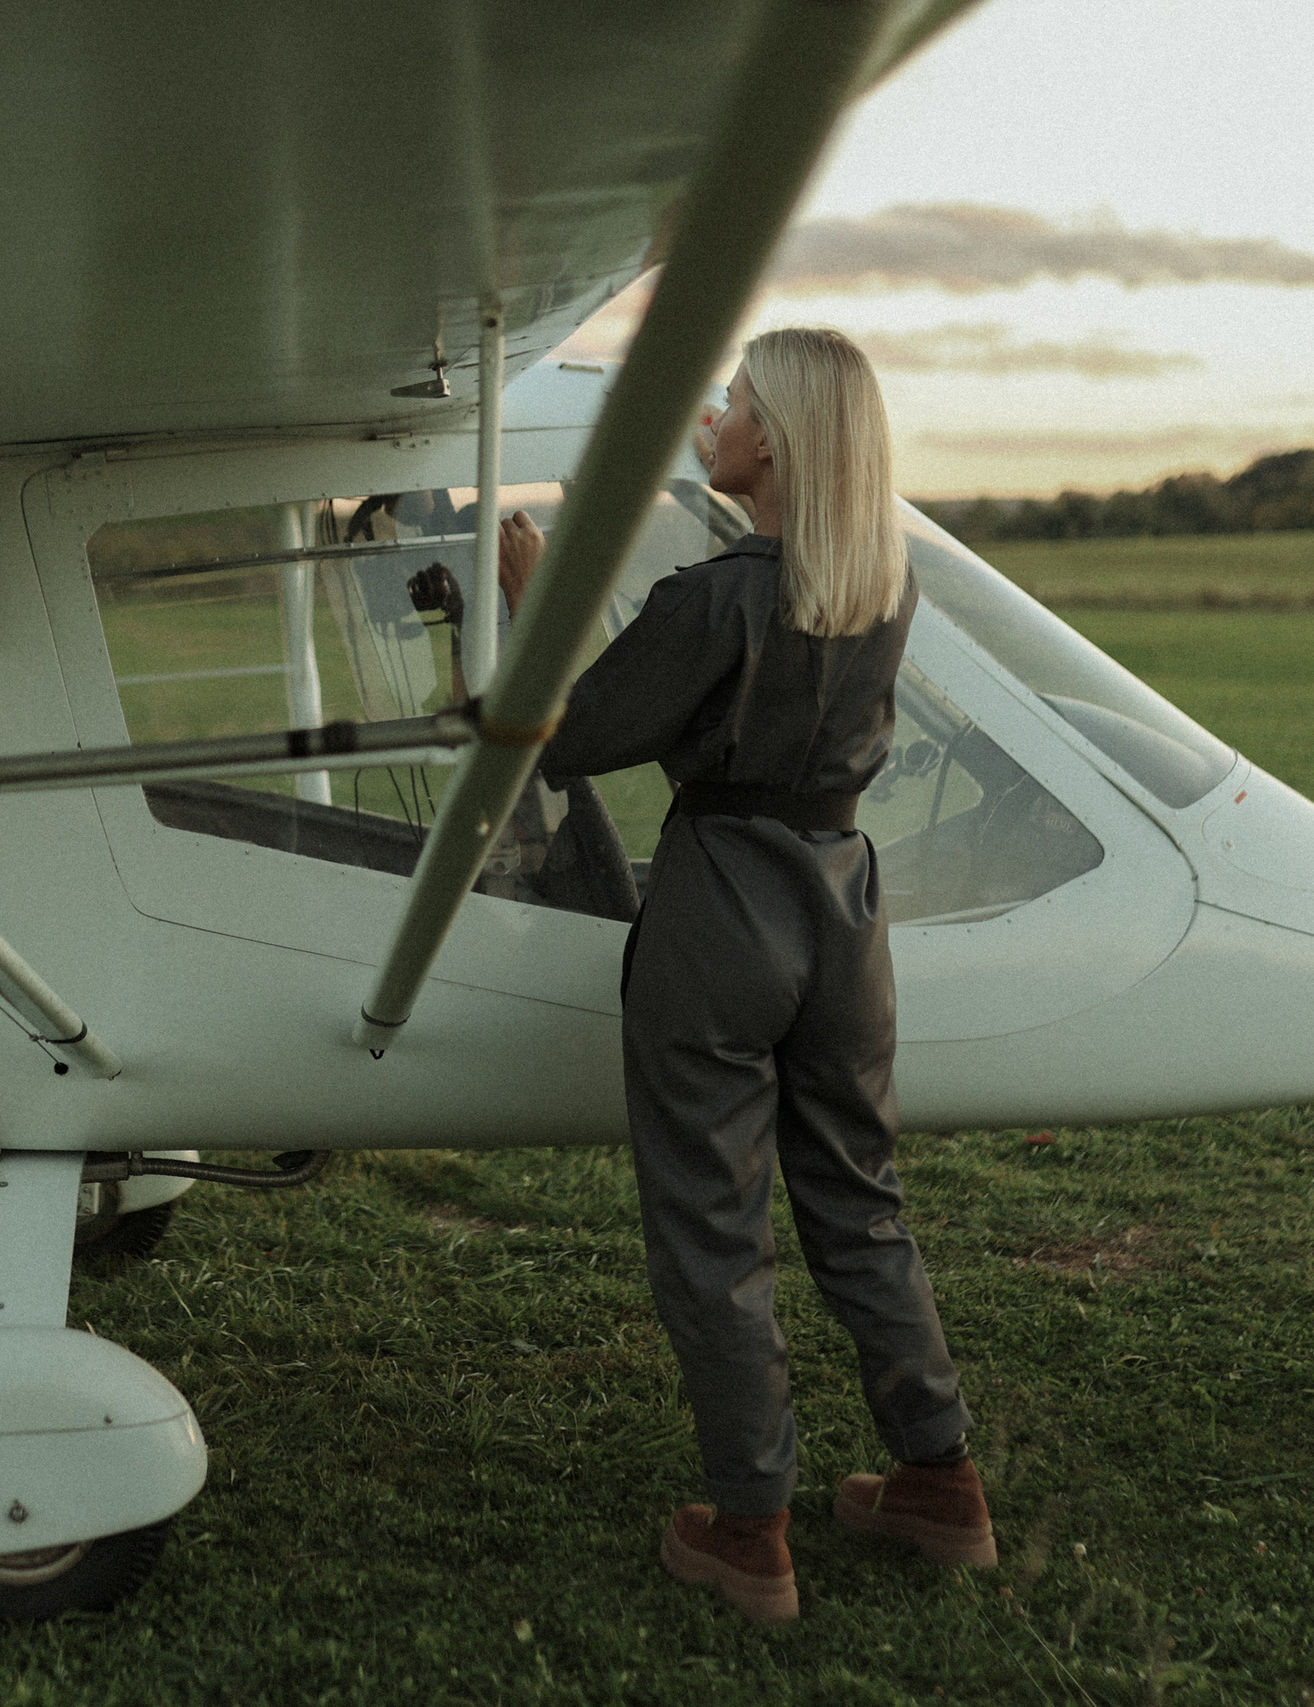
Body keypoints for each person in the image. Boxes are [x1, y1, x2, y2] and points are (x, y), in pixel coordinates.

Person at [496, 327, 991, 1627]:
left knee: (717, 1231)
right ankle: (943, 1482)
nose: (713, 417)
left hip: (721, 902)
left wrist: (535, 601)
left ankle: (751, 1529)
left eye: (733, 403)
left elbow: (578, 732)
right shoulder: (886, 591)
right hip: (845, 901)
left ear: (769, 441)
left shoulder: (714, 597)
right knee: (859, 1202)